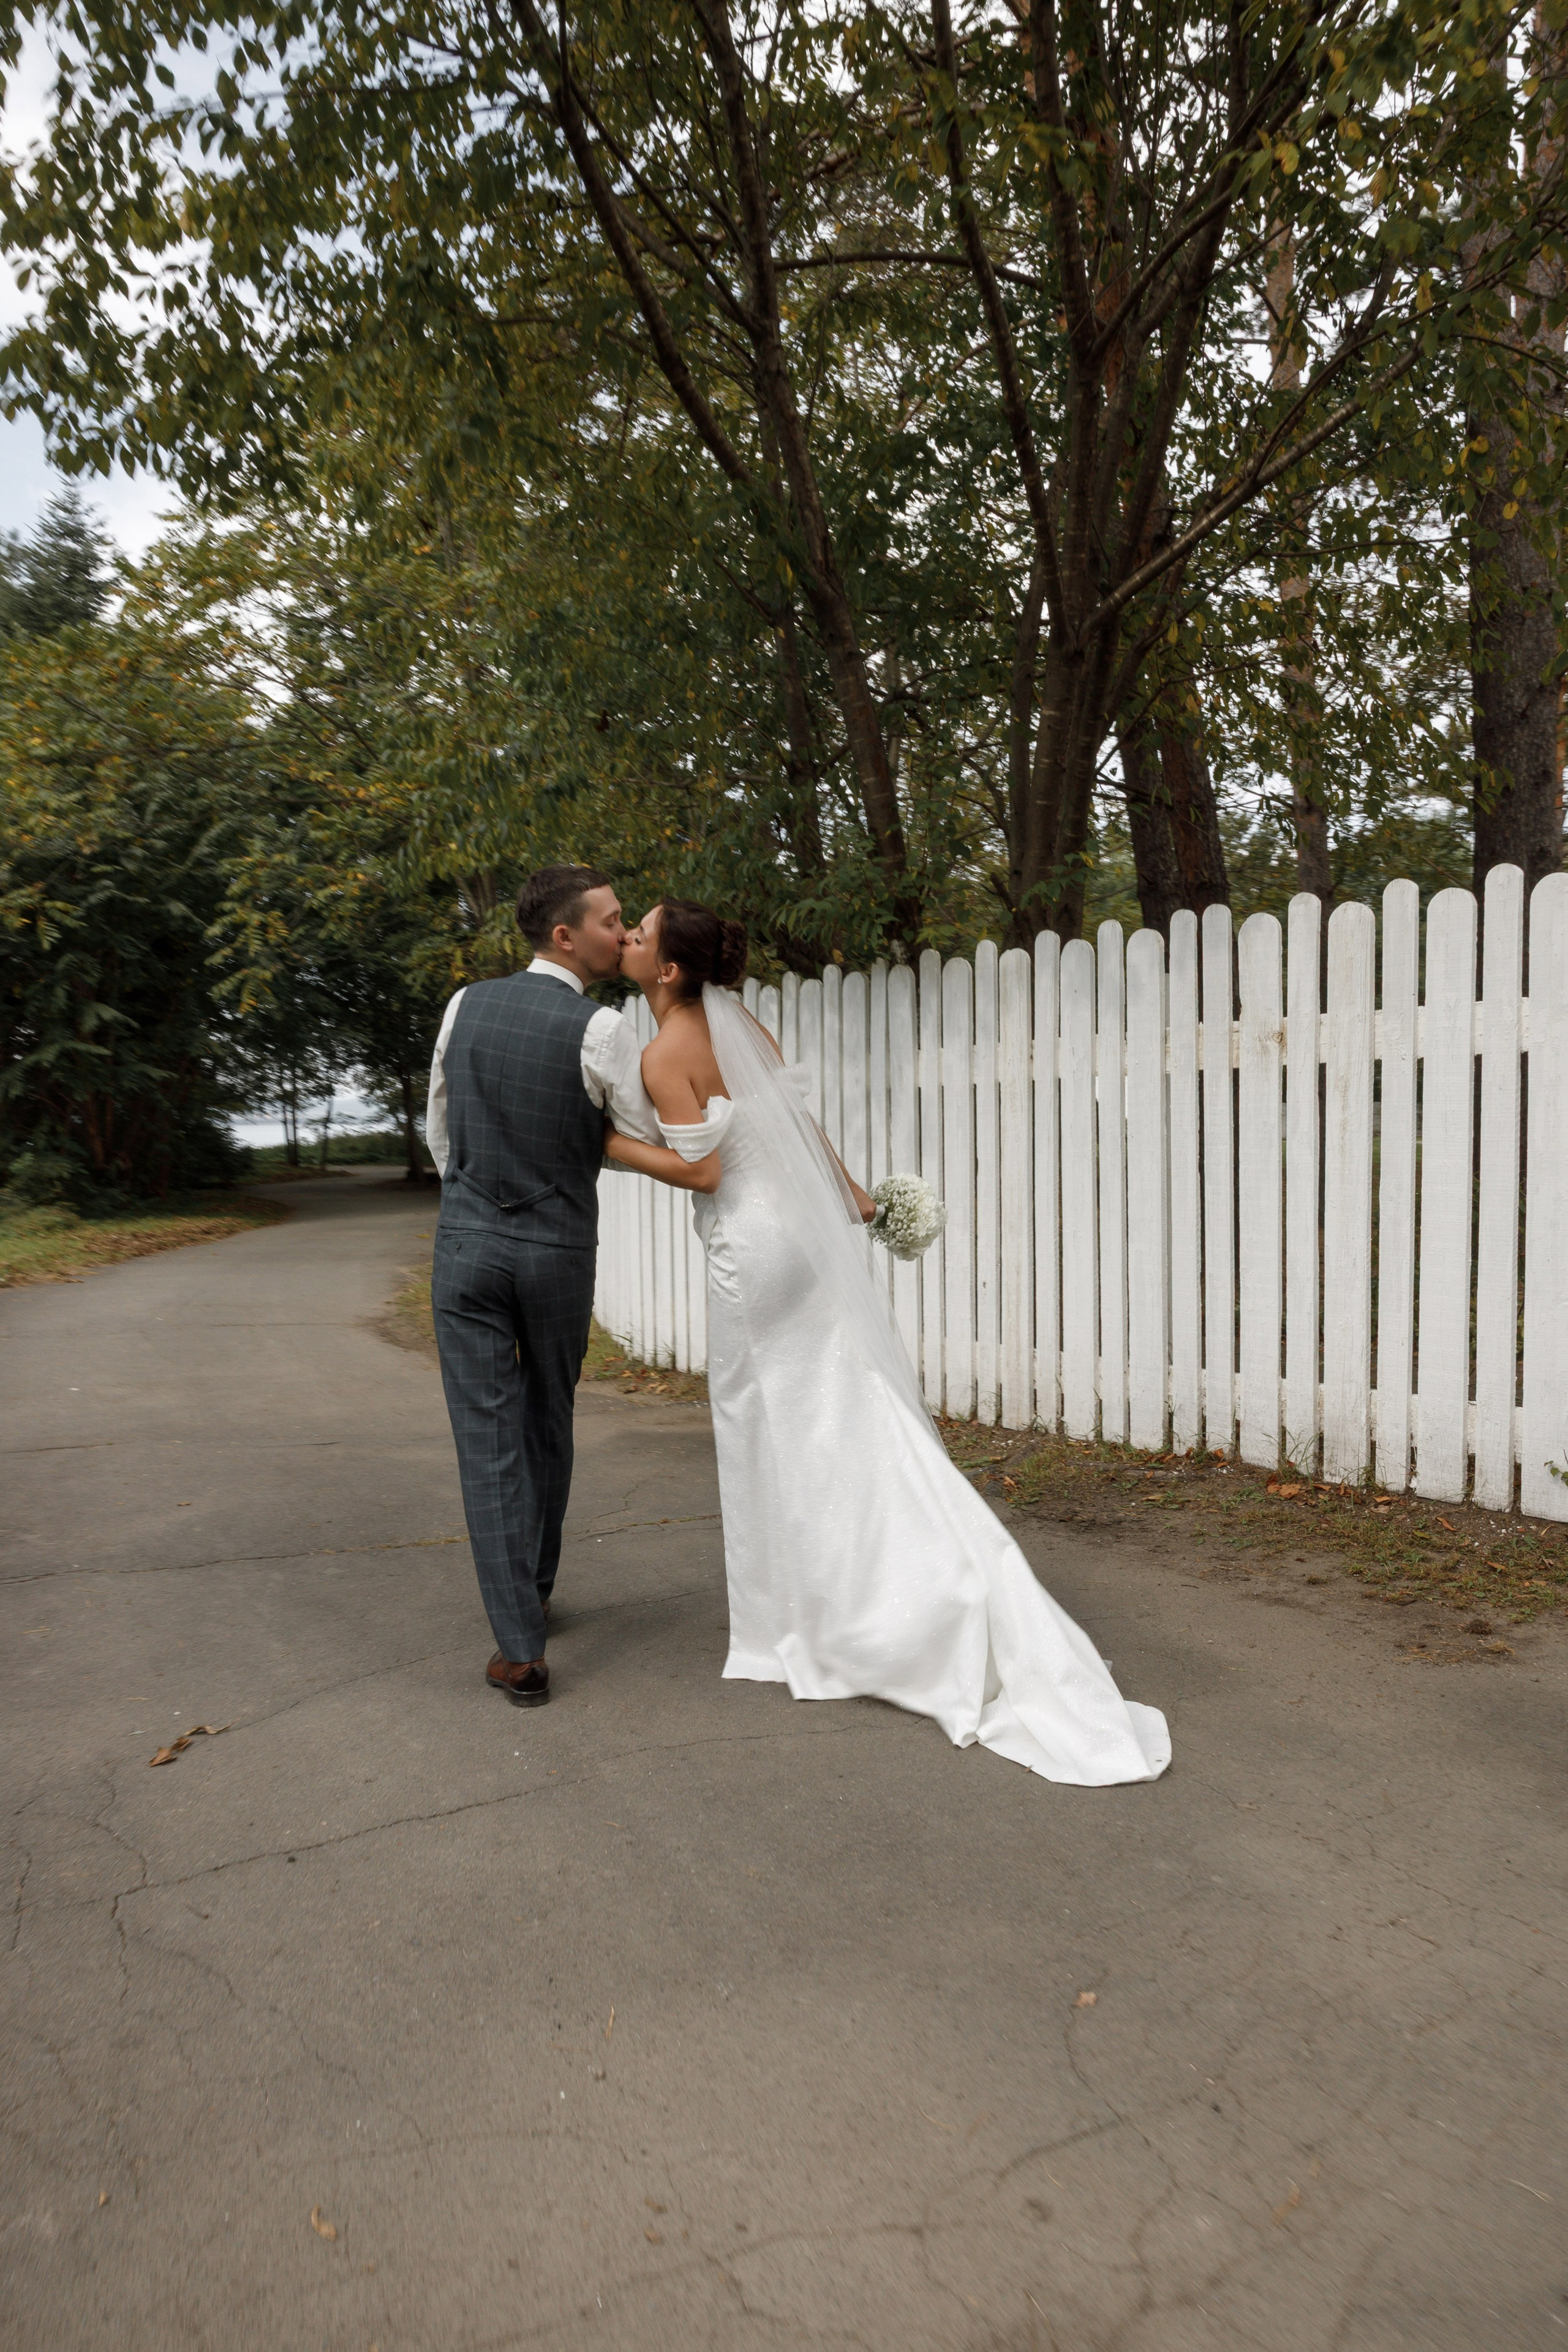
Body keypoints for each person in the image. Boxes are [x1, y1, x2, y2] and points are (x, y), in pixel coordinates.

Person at [603, 899, 1170, 1787]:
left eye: (639, 934)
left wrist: (607, 1144)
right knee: (849, 1411)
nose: (627, 941)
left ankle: (807, 1622)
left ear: (669, 970)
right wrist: (855, 1194)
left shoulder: (666, 1050)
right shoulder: (741, 1023)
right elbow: (793, 1132)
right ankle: (901, 1587)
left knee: (772, 1428)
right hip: (804, 1234)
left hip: (751, 1252)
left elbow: (704, 1170)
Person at [424, 865, 720, 1708]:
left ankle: (519, 1646)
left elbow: (442, 1128)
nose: (622, 935)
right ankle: (536, 1591)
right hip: (556, 1249)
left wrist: (475, 1201)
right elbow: (635, 1129)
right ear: (566, 936)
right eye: (611, 922)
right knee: (548, 1416)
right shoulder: (601, 1030)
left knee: (487, 1439)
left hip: (468, 1247)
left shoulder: (464, 1005)